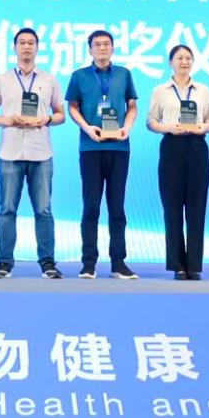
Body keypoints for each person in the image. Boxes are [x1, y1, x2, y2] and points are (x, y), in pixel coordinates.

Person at [0, 27, 66, 279]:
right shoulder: (2, 79)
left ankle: (48, 263)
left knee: (43, 210)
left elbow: (60, 114)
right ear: (15, 47)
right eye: (22, 42)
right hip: (10, 153)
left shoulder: (49, 79)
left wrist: (45, 119)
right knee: (7, 210)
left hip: (41, 153)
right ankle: (4, 263)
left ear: (37, 48)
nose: (27, 47)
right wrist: (8, 120)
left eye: (31, 42)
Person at [66, 29, 139, 279]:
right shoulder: (79, 76)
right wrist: (88, 128)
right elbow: (72, 107)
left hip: (119, 148)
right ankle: (88, 263)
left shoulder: (124, 74)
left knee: (117, 207)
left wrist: (126, 128)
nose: (102, 48)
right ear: (90, 50)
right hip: (91, 147)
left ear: (113, 48)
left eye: (106, 44)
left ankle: (118, 263)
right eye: (97, 44)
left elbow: (132, 106)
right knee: (91, 207)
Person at [146, 44, 209, 280]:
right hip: (171, 147)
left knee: (197, 207)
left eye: (188, 58)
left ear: (193, 62)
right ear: (170, 62)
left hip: (197, 147)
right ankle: (177, 265)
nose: (184, 62)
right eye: (179, 58)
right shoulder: (160, 90)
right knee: (172, 207)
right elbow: (151, 122)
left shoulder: (203, 90)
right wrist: (169, 127)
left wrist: (201, 127)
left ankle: (194, 265)